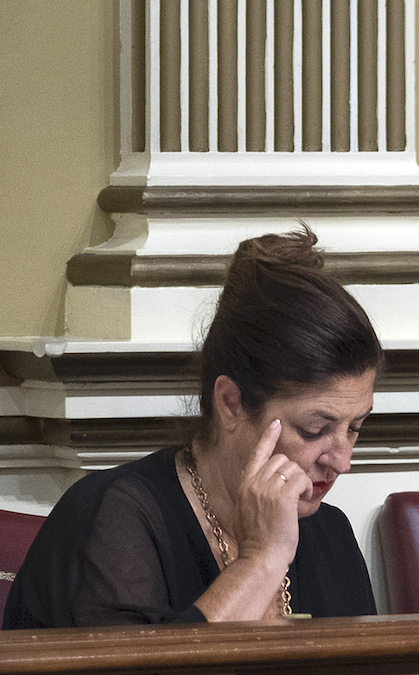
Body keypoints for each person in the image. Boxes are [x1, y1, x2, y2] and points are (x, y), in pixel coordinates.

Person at [3, 227, 380, 628]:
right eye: (314, 429)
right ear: (231, 403)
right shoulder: (110, 518)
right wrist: (262, 559)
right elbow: (151, 670)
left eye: (355, 427)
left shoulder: (330, 534)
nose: (342, 461)